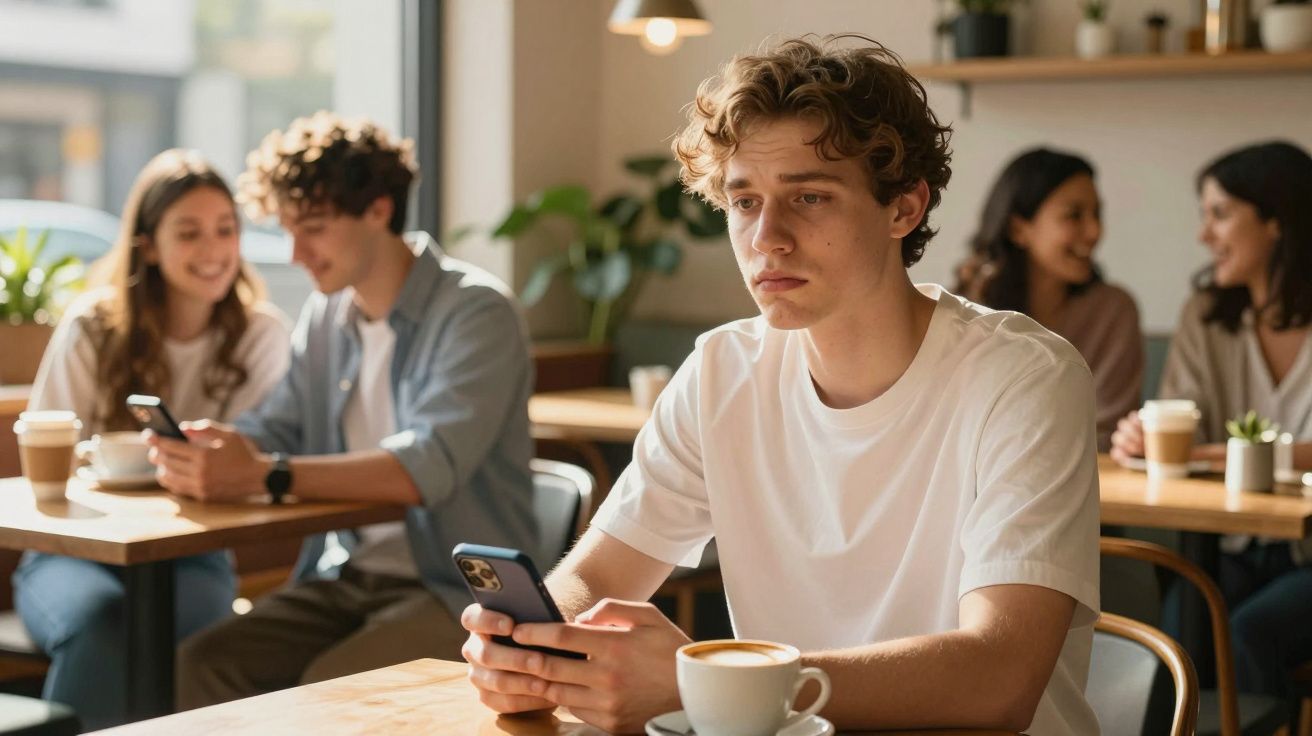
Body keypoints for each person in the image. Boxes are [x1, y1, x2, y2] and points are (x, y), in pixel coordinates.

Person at [460, 35, 1100, 735]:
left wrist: (705, 683)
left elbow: (998, 677)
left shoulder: (1024, 377)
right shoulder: (720, 372)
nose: (767, 236)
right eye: (744, 202)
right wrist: (535, 646)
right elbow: (600, 575)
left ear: (903, 209)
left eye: (810, 197)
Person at [150, 112, 537, 709]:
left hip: (460, 593)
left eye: (313, 228)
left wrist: (265, 473)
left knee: (326, 690)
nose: (296, 253)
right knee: (206, 662)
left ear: (379, 211)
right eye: (286, 230)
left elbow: (425, 467)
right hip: (349, 575)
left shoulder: (476, 313)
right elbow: (277, 427)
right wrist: (211, 448)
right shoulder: (328, 317)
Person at [14, 149, 290, 729]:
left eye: (225, 230)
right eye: (188, 233)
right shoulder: (94, 326)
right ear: (147, 244)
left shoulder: (261, 335)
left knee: (193, 632)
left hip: (193, 558)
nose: (213, 250)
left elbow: (262, 459)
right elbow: (50, 451)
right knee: (103, 622)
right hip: (75, 555)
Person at [1111, 141, 1312, 698]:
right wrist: (1145, 438)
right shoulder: (1206, 316)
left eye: (1220, 215)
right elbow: (1182, 425)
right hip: (1231, 547)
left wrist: (1205, 455)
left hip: (1305, 555)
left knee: (1246, 637)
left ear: (1276, 220)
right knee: (1174, 642)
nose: (1204, 236)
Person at [956, 147, 1144, 452]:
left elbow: (1110, 430)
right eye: (1074, 215)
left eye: (1097, 214)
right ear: (1019, 228)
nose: (1095, 231)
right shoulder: (967, 312)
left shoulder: (1114, 311)